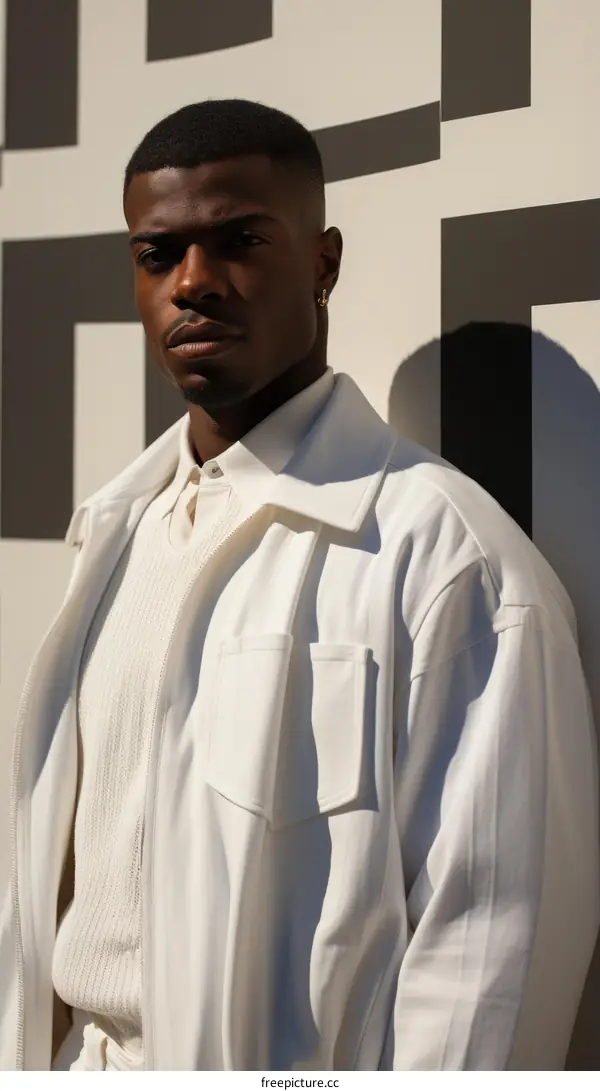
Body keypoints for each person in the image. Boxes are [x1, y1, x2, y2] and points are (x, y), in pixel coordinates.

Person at [0, 99, 598, 1072]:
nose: (193, 283)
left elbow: (491, 965)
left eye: (237, 240)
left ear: (323, 261)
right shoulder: (119, 534)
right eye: (160, 254)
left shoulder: (450, 560)